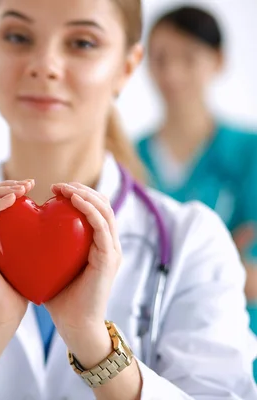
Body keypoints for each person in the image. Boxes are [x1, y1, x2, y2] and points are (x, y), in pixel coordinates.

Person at [0, 0, 257, 398]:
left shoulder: (194, 243)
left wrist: (92, 340)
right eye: (17, 36)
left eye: (82, 43)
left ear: (127, 66)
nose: (44, 64)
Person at [136, 5, 257, 380]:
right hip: (148, 352)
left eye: (188, 58)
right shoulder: (128, 160)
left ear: (217, 61)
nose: (171, 73)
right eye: (160, 59)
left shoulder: (249, 152)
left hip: (238, 345)